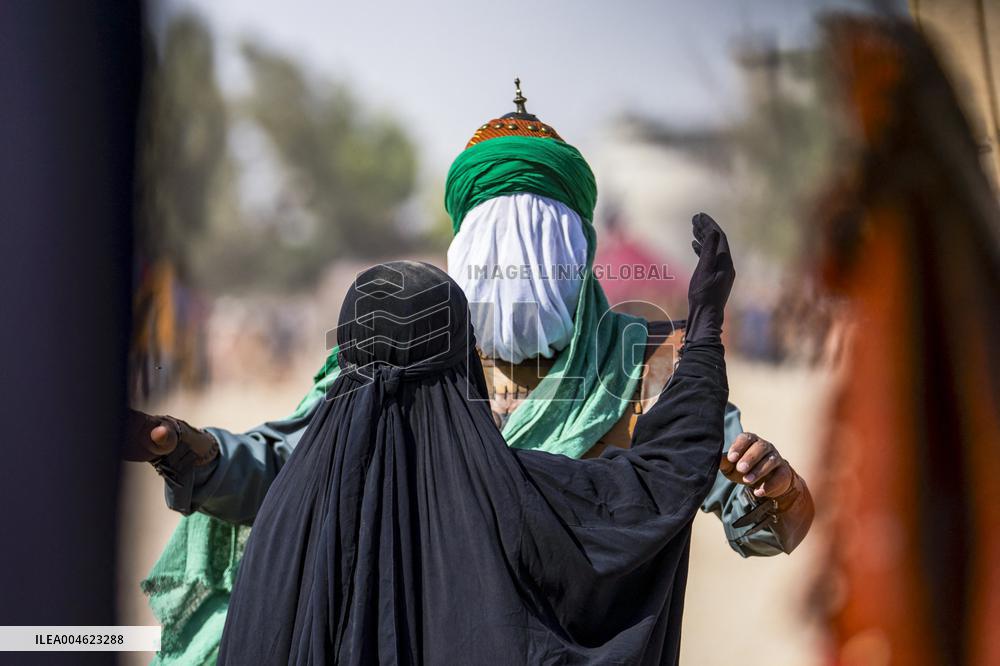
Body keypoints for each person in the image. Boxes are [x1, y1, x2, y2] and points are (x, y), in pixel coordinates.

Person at [133, 84, 812, 665]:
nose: (514, 269)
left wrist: (770, 488)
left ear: (579, 251)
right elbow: (299, 468)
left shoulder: (647, 365)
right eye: (495, 244)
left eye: (538, 243)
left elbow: (761, 514)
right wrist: (198, 453)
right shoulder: (405, 351)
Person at [217, 211, 733, 665]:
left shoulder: (281, 517)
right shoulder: (502, 498)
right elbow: (655, 488)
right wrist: (705, 327)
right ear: (460, 356)